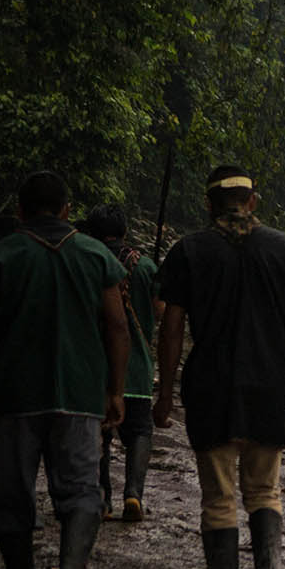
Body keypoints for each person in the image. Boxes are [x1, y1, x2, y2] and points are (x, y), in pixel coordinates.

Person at [153, 166, 285, 569]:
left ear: (209, 204)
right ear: (253, 201)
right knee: (265, 491)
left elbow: (171, 328)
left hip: (210, 388)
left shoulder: (189, 251)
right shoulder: (284, 248)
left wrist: (164, 391)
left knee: (219, 500)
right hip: (268, 388)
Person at [0, 170, 129, 569]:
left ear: (19, 210)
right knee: (82, 493)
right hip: (79, 394)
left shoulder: (2, 254)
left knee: (13, 499)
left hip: (16, 395)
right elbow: (117, 326)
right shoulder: (95, 256)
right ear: (68, 211)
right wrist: (115, 389)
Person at [78, 204, 162, 522]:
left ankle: (101, 497)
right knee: (139, 429)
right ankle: (134, 494)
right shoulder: (145, 265)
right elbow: (160, 309)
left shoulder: (84, 261)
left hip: (92, 366)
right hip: (136, 368)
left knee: (98, 432)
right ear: (124, 231)